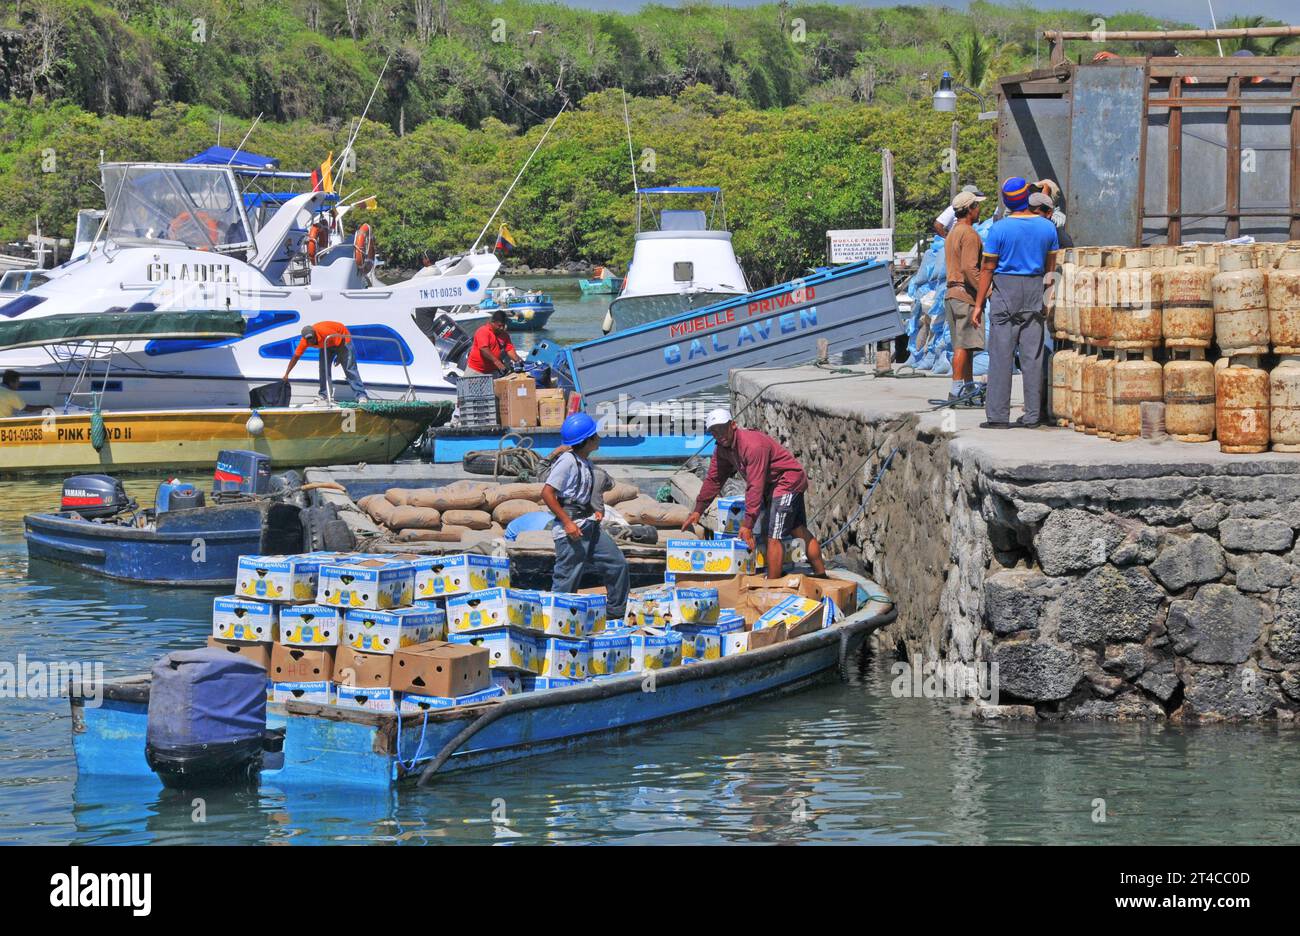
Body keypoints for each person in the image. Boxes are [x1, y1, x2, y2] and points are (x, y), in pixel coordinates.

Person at [683, 408, 827, 580]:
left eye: (722, 428)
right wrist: (698, 510)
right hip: (771, 485)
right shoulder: (722, 449)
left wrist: (747, 524)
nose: (719, 434)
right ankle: (821, 575)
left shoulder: (752, 446)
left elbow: (755, 487)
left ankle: (772, 585)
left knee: (773, 535)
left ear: (733, 425)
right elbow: (713, 480)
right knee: (796, 529)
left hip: (787, 481)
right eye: (714, 431)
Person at [973, 177, 1060, 430]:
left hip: (1004, 292)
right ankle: (1033, 415)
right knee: (1032, 357)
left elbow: (988, 268)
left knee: (1001, 355)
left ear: (1006, 202)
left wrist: (978, 305)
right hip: (1034, 290)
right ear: (1027, 198)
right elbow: (1050, 269)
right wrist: (1046, 298)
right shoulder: (1047, 228)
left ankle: (998, 417)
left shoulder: (999, 230)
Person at [542, 413, 629, 620]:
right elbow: (547, 493)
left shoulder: (585, 463)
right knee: (568, 578)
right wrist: (567, 523)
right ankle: (557, 622)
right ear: (587, 440)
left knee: (617, 564)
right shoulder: (567, 462)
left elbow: (583, 493)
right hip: (572, 527)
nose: (598, 437)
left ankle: (615, 614)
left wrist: (595, 511)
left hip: (588, 523)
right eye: (595, 434)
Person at [943, 190, 986, 406]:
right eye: (977, 206)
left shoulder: (952, 232)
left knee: (965, 345)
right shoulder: (969, 234)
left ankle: (967, 389)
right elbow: (970, 268)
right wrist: (985, 291)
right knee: (962, 345)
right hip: (965, 295)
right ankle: (956, 390)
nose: (979, 210)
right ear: (969, 210)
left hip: (952, 294)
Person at [282, 322, 368, 404]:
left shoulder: (325, 332)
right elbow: (295, 357)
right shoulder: (304, 342)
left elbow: (340, 341)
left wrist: (339, 357)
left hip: (342, 338)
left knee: (349, 368)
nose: (311, 341)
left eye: (312, 338)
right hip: (326, 343)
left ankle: (361, 395)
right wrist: (287, 373)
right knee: (323, 368)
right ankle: (324, 394)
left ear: (315, 334)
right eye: (308, 339)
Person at [466, 310, 523, 376]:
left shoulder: (504, 335)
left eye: (503, 325)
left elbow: (509, 349)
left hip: (492, 371)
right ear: (492, 323)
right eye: (499, 325)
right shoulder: (483, 331)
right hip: (476, 370)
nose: (501, 328)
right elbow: (483, 349)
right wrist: (497, 362)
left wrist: (519, 361)